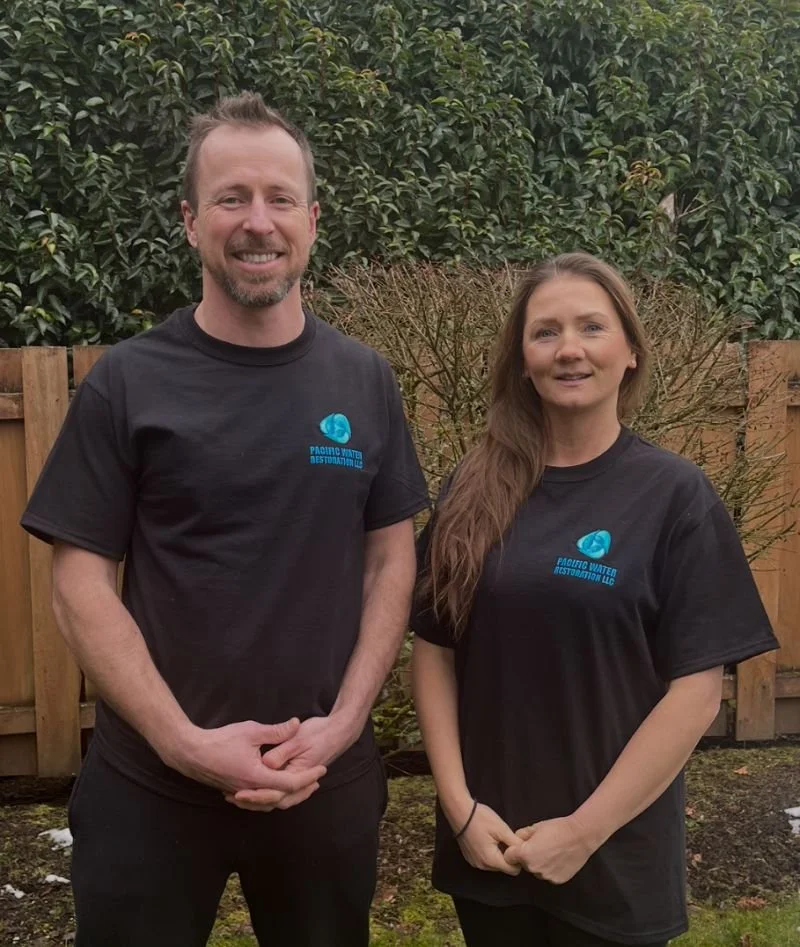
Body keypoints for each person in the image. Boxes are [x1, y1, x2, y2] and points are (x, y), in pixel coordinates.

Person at [21, 92, 428, 947]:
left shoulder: (365, 382)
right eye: (230, 198)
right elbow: (78, 581)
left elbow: (390, 561)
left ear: (313, 219)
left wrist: (347, 723)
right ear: (189, 220)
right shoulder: (127, 383)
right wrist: (183, 743)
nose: (257, 222)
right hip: (152, 782)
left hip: (325, 777)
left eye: (280, 198)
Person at [411, 252, 778, 947]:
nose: (568, 348)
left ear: (631, 351)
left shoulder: (676, 497)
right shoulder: (473, 485)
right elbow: (433, 653)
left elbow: (695, 695)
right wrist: (458, 807)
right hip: (488, 846)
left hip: (615, 858)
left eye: (591, 327)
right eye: (545, 332)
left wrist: (582, 832)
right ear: (522, 359)